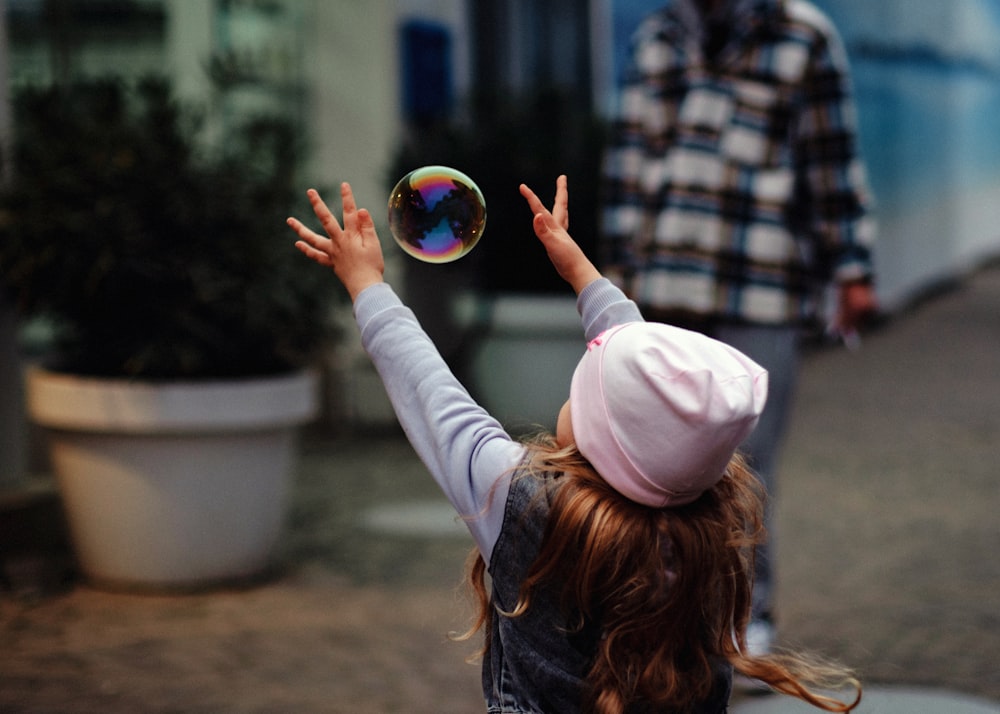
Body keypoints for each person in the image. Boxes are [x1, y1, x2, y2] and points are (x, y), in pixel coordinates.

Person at [287, 175, 861, 713]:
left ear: (602, 439)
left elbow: (436, 402)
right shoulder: (708, 521)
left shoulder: (530, 506)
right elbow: (658, 400)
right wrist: (582, 273)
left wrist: (367, 287)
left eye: (581, 391)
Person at [599, 0, 879, 655]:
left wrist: (853, 268)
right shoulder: (655, 38)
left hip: (761, 286)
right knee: (655, 469)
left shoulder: (803, 36)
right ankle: (666, 621)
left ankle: (745, 621)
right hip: (663, 289)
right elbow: (626, 170)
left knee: (745, 470)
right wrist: (610, 282)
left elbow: (832, 161)